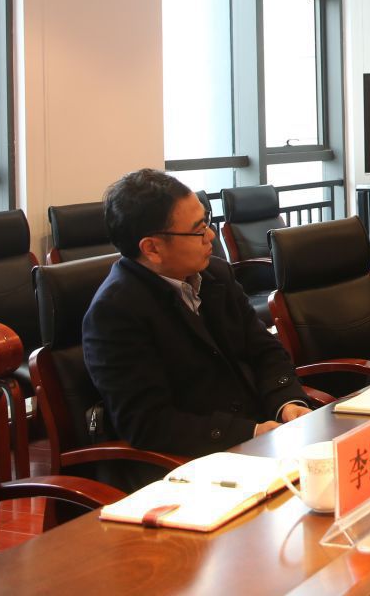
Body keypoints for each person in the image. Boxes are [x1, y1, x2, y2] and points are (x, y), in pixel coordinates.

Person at [83, 169, 313, 460]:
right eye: (198, 230)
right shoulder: (115, 312)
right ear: (152, 248)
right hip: (192, 460)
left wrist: (286, 403)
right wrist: (250, 433)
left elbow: (264, 350)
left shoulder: (216, 274)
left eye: (207, 222)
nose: (211, 236)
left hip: (260, 436)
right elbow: (148, 423)